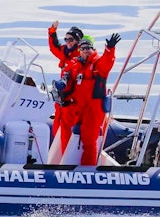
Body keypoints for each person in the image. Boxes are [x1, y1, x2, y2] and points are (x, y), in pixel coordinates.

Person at [55, 33, 121, 165]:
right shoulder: (76, 65)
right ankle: (64, 165)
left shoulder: (97, 64)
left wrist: (110, 48)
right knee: (65, 132)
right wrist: (62, 84)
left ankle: (88, 170)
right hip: (77, 107)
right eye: (83, 48)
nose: (85, 50)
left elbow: (108, 61)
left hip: (93, 109)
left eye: (88, 48)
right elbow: (68, 79)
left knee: (89, 141)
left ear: (92, 49)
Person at [47, 22, 84, 154]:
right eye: (66, 39)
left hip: (73, 102)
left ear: (77, 41)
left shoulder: (81, 55)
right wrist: (52, 31)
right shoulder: (65, 52)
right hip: (61, 99)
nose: (68, 42)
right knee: (57, 125)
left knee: (68, 131)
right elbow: (53, 46)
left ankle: (66, 159)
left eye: (71, 39)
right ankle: (56, 155)